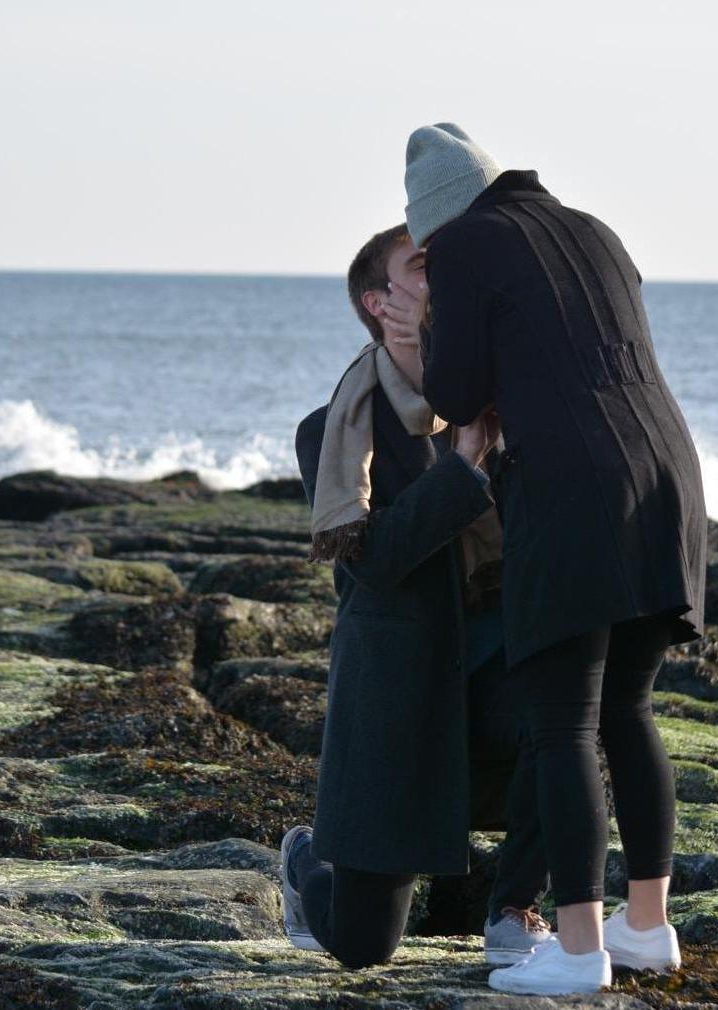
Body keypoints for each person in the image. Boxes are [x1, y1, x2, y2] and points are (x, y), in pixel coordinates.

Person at [391, 123, 707, 996]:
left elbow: (456, 394)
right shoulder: (592, 227)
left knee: (564, 721)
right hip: (667, 475)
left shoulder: (466, 245)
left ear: (436, 221)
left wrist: (427, 322)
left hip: (573, 491)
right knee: (629, 710)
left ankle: (575, 950)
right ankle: (647, 928)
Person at [280, 223, 554, 970]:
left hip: (492, 666)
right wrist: (462, 466)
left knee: (567, 723)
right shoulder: (331, 433)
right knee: (363, 947)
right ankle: (306, 867)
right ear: (380, 302)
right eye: (426, 266)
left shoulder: (501, 401)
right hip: (396, 696)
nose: (447, 278)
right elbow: (375, 563)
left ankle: (514, 908)